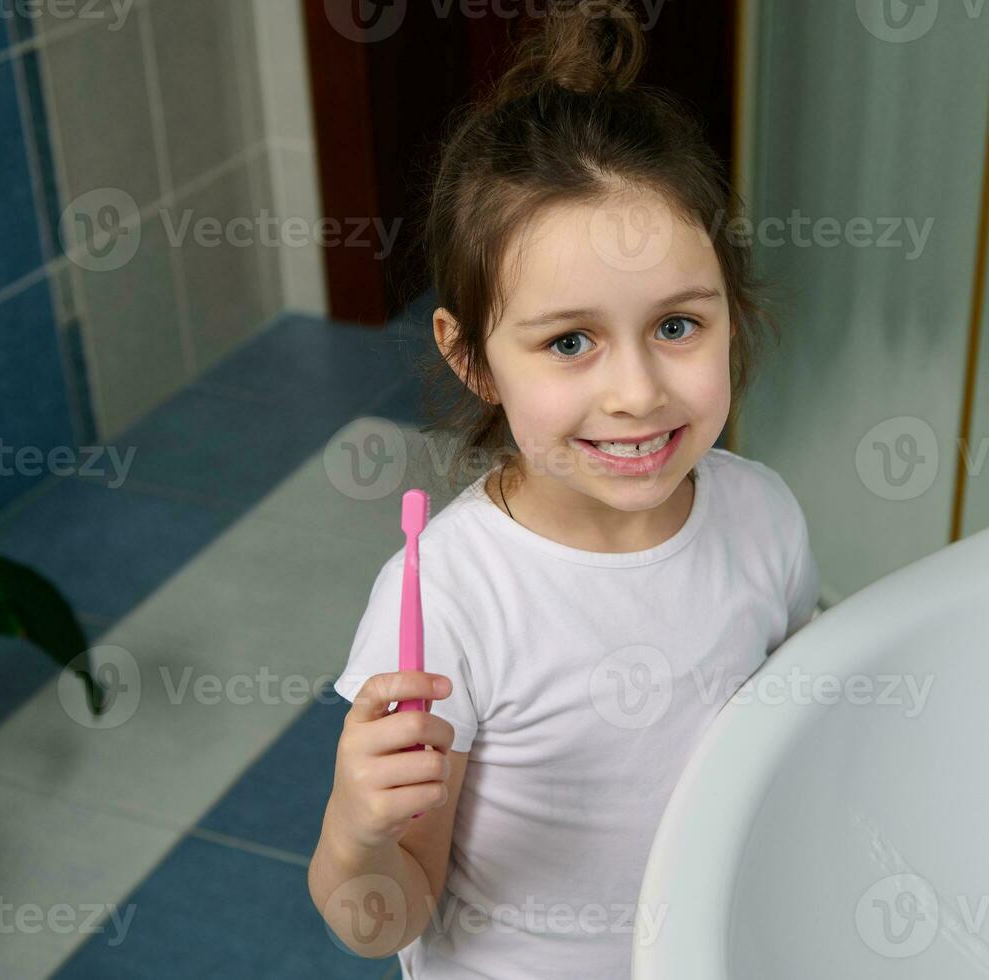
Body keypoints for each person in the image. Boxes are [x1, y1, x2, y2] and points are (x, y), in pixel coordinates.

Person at [309, 1, 821, 975]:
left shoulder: (764, 517)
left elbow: (783, 736)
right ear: (474, 360)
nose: (636, 392)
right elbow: (384, 916)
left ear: (732, 310)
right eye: (570, 341)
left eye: (677, 325)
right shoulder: (456, 599)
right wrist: (355, 836)